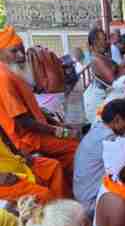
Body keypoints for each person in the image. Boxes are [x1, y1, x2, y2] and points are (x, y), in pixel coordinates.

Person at [0, 27, 78, 181]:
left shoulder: (11, 73)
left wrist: (56, 124)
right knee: (76, 147)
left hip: (35, 133)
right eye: (14, 52)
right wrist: (57, 131)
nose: (21, 56)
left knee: (71, 142)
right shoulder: (3, 77)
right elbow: (22, 120)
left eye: (22, 50)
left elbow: (32, 111)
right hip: (27, 139)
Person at [73, 99, 125, 214]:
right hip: (91, 202)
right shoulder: (108, 138)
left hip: (82, 196)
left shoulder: (98, 128)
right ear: (117, 120)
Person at [84, 27, 125, 124]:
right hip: (98, 102)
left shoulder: (102, 55)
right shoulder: (97, 59)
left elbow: (118, 70)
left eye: (105, 39)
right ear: (95, 42)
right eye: (103, 39)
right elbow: (114, 81)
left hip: (106, 98)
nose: (106, 42)